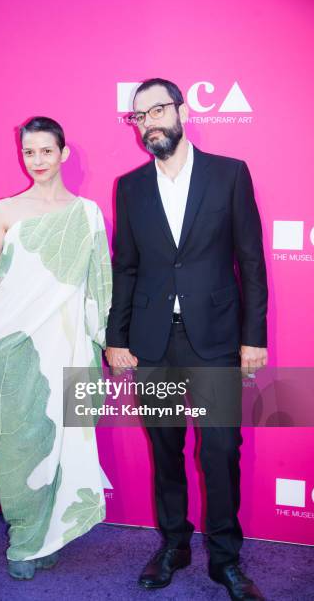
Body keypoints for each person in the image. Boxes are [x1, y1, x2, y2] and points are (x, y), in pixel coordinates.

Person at [105, 79, 268, 600]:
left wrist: (254, 337)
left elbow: (251, 262)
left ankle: (225, 559)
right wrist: (116, 337)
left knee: (221, 449)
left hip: (217, 340)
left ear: (182, 110)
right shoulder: (130, 186)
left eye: (158, 109)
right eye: (139, 116)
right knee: (166, 448)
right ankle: (174, 545)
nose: (150, 121)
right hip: (152, 343)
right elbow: (125, 268)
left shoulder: (229, 174)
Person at [0, 116, 112, 580]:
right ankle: (25, 538)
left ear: (63, 154)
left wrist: (109, 340)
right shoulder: (5, 209)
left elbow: (100, 283)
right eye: (29, 152)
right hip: (6, 343)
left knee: (62, 440)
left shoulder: (86, 214)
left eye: (46, 151)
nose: (38, 160)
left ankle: (50, 534)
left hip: (65, 346)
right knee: (16, 447)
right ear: (21, 156)